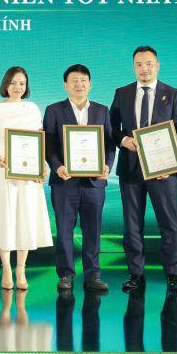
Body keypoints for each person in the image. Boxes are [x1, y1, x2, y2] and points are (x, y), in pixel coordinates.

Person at [110, 46, 177, 293]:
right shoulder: (122, 93)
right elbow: (111, 127)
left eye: (149, 63)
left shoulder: (173, 94)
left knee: (169, 222)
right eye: (139, 64)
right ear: (134, 67)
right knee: (132, 224)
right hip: (131, 169)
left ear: (158, 65)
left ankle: (172, 275)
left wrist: (170, 163)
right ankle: (136, 274)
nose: (144, 68)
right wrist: (123, 140)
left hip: (164, 171)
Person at [43, 64, 115, 293]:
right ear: (65, 85)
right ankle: (65, 274)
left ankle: (93, 275)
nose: (79, 84)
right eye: (74, 81)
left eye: (83, 80)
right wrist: (57, 167)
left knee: (93, 230)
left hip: (94, 182)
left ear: (90, 84)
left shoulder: (102, 111)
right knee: (64, 230)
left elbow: (110, 144)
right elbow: (48, 145)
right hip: (65, 181)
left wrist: (107, 165)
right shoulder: (54, 110)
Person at [0, 66, 52, 290]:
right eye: (13, 83)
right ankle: (5, 268)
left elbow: (38, 140)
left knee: (25, 216)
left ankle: (21, 268)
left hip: (28, 171)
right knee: (4, 217)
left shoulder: (33, 109)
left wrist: (42, 165)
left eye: (22, 83)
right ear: (5, 84)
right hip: (2, 170)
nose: (17, 87)